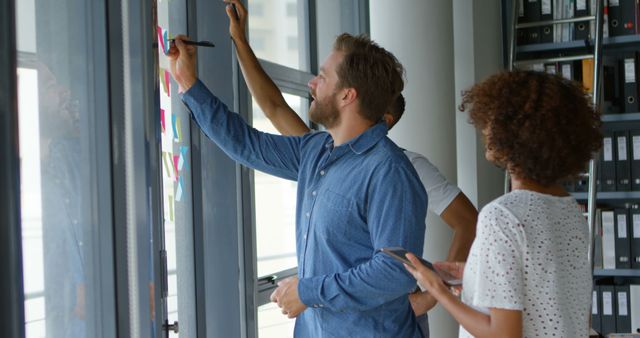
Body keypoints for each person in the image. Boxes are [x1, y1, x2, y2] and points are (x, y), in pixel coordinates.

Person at [222, 1, 477, 335]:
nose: (313, 84)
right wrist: (228, 52)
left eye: (323, 78)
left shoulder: (400, 169)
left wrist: (433, 295)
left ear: (353, 100)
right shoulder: (323, 154)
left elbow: (459, 226)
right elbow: (270, 114)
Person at [167, 30, 428, 337]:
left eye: (322, 76)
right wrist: (188, 83)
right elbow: (246, 145)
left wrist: (308, 292)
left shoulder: (390, 172)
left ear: (347, 95)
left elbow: (394, 271)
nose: (312, 84)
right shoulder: (315, 150)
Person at [403, 70, 602, 337]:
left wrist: (437, 290)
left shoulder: (502, 216)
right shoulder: (570, 210)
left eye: (491, 118)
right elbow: (544, 289)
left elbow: (504, 335)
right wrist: (474, 272)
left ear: (514, 131)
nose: (484, 127)